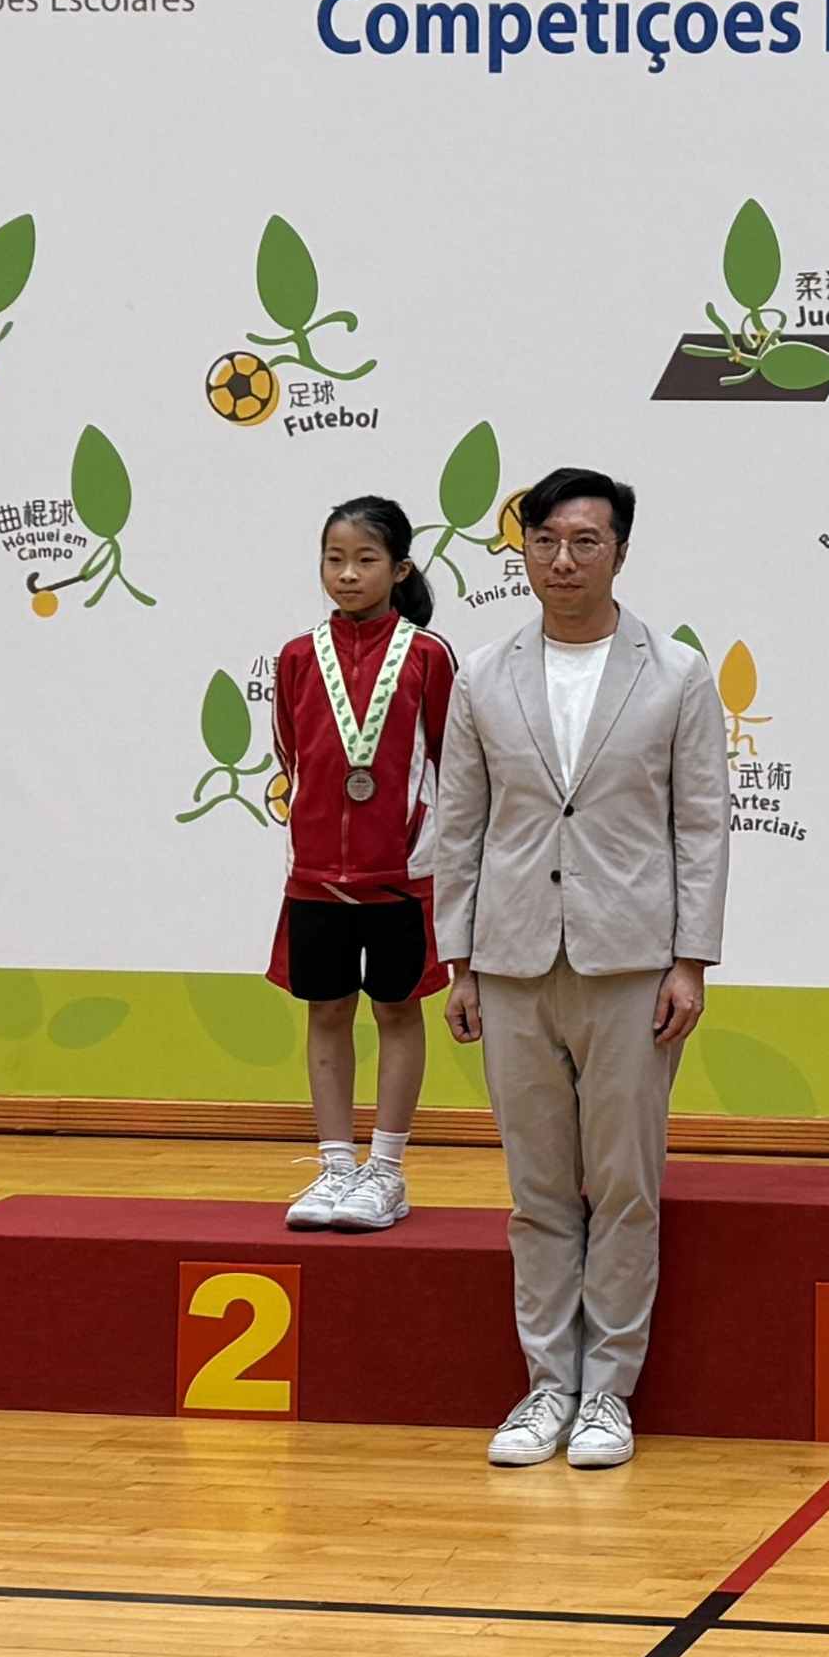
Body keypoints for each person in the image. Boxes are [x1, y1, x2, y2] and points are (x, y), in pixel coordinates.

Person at [432, 466, 728, 1471]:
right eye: (545, 540)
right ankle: (545, 1384)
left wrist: (690, 960)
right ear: (523, 550)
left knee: (625, 1185)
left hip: (631, 961)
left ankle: (608, 1389)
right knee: (537, 1189)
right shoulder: (483, 675)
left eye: (585, 541)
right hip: (512, 958)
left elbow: (701, 824)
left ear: (620, 552)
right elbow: (460, 822)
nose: (562, 560)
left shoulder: (676, 673)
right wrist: (460, 959)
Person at [273, 495, 461, 1234]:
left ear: (400, 569)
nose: (347, 574)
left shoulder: (428, 656)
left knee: (396, 1010)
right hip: (316, 875)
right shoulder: (297, 656)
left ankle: (385, 1169)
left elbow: (451, 761)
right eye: (334, 559)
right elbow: (291, 753)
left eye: (365, 560)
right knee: (326, 1012)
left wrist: (420, 840)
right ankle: (334, 1167)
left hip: (401, 875)